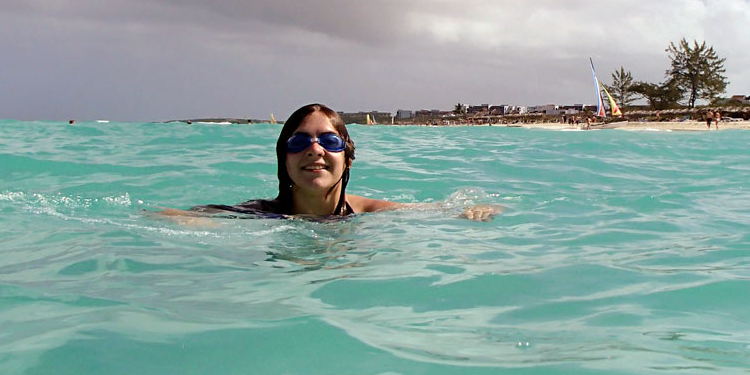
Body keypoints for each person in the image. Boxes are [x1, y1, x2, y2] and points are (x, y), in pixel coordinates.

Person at [162, 103, 498, 221]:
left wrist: (481, 209)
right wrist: (187, 221)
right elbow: (169, 215)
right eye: (299, 142)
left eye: (329, 141)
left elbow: (441, 210)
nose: (315, 150)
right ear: (284, 160)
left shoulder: (368, 212)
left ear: (347, 158)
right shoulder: (257, 213)